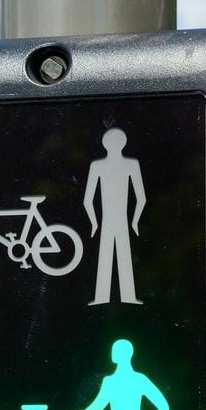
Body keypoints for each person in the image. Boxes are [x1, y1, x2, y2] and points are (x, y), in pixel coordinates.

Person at [84, 128, 145, 304]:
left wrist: (94, 222)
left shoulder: (100, 166)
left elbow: (88, 200)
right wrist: (135, 221)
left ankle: (104, 297)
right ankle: (125, 297)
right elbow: (141, 198)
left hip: (110, 218)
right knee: (121, 254)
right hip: (119, 218)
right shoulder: (128, 165)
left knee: (108, 255)